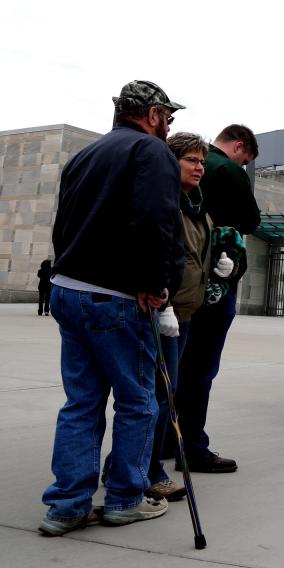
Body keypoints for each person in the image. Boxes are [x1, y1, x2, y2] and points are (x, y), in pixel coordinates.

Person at [39, 80, 184, 536]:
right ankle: (124, 497)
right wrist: (154, 282)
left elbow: (63, 223)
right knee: (138, 401)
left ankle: (66, 506)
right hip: (117, 295)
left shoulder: (85, 154)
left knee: (81, 402)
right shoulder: (152, 151)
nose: (169, 126)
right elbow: (155, 217)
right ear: (154, 114)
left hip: (69, 287)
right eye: (169, 117)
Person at [175, 124, 260, 474]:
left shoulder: (176, 170)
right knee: (200, 368)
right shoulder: (226, 169)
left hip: (178, 284)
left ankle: (166, 439)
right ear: (239, 147)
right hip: (214, 282)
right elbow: (250, 221)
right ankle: (193, 446)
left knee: (175, 365)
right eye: (246, 161)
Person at [143, 132, 218, 502]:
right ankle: (149, 469)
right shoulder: (165, 200)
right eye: (191, 160)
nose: (199, 167)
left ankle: (136, 464)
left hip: (186, 311)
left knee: (166, 391)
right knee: (160, 395)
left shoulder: (196, 205)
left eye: (202, 161)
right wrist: (164, 301)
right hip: (163, 310)